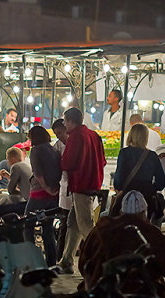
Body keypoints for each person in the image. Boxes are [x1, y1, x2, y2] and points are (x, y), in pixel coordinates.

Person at [79, 190, 165, 298]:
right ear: (144, 213)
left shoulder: (101, 229)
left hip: (103, 293)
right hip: (144, 297)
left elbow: (83, 265)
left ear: (121, 212)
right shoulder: (152, 233)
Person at [58, 107, 106, 274]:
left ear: (71, 121)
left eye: (65, 121)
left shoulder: (76, 136)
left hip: (81, 185)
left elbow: (68, 162)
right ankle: (66, 260)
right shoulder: (94, 135)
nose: (64, 125)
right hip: (93, 183)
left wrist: (59, 162)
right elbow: (104, 161)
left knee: (86, 224)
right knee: (73, 223)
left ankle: (103, 259)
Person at [111, 123, 165, 222]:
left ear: (131, 135)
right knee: (155, 221)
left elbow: (118, 181)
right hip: (147, 198)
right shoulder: (152, 156)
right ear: (145, 137)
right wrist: (150, 189)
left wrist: (121, 189)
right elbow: (161, 182)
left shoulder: (124, 153)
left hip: (126, 197)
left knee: (109, 218)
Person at [24, 125, 62, 265]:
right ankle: (51, 262)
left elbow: (37, 173)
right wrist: (53, 190)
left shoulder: (35, 151)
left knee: (27, 225)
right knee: (48, 229)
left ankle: (33, 258)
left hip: (39, 194)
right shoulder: (54, 150)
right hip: (53, 196)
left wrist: (46, 188)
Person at [0, 147, 32, 219]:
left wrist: (18, 191)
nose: (7, 162)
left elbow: (10, 190)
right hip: (32, 202)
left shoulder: (15, 166)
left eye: (8, 159)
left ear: (12, 158)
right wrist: (8, 176)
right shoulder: (26, 165)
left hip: (27, 204)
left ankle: (1, 229)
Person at [52, 118, 72, 256]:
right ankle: (61, 256)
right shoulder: (57, 146)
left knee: (75, 225)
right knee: (64, 224)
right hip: (64, 188)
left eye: (60, 132)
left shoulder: (75, 143)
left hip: (76, 188)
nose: (59, 136)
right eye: (56, 134)